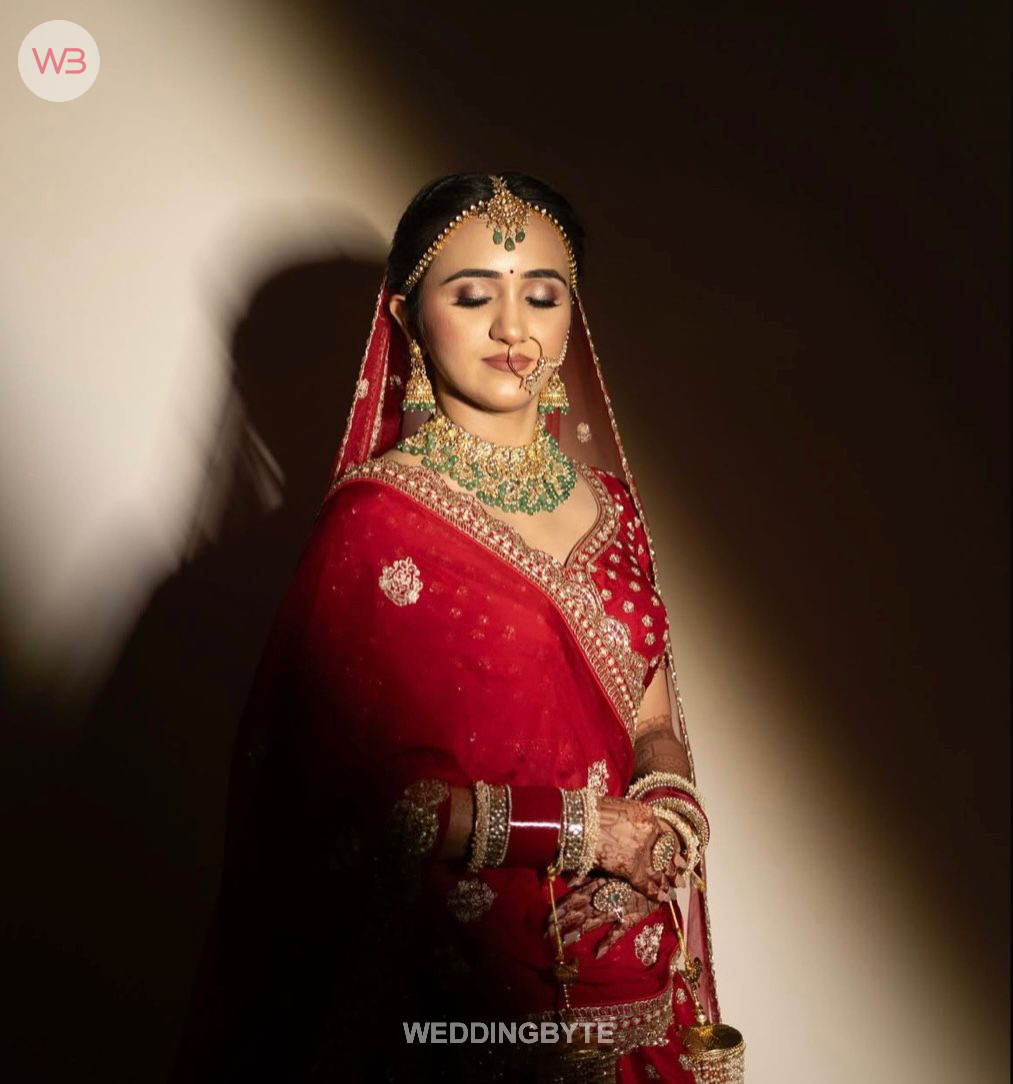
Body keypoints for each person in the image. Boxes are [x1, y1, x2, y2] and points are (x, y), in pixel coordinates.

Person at [189, 172, 740, 1083]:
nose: (514, 330)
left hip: (627, 962)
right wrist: (585, 832)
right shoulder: (377, 523)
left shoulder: (612, 509)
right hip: (460, 993)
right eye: (474, 295)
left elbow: (652, 718)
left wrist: (665, 820)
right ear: (406, 319)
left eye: (543, 296)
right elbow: (350, 802)